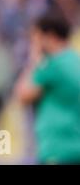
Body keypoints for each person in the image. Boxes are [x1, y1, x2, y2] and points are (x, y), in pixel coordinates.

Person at [14, 10, 80, 164]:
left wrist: (34, 59)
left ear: (49, 36)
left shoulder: (52, 65)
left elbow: (22, 95)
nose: (32, 42)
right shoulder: (75, 61)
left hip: (57, 148)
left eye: (35, 37)